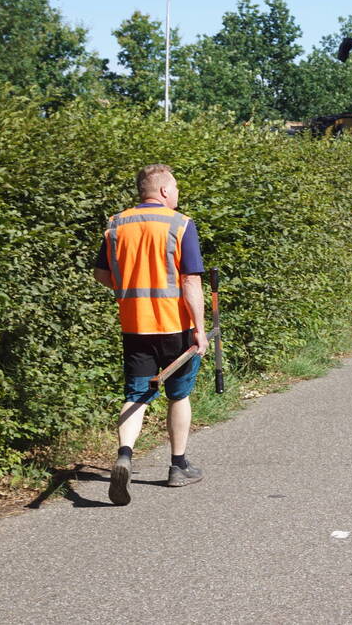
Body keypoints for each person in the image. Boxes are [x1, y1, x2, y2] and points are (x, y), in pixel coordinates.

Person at [93, 164, 208, 506]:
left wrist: (129, 290)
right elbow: (191, 282)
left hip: (134, 326)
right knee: (178, 394)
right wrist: (200, 331)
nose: (176, 196)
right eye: (174, 190)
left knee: (136, 393)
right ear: (162, 191)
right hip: (175, 326)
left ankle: (125, 455)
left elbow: (101, 273)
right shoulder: (180, 223)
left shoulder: (116, 224)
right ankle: (178, 465)